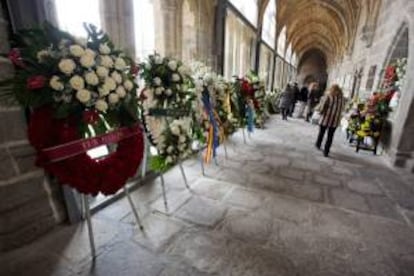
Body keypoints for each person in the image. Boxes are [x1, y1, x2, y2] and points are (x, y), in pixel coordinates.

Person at [315, 84, 345, 157]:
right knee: (330, 136)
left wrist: (319, 111)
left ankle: (318, 145)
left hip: (326, 118)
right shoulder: (342, 99)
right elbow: (343, 108)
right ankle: (326, 151)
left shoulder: (329, 96)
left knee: (322, 132)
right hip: (335, 119)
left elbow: (322, 106)